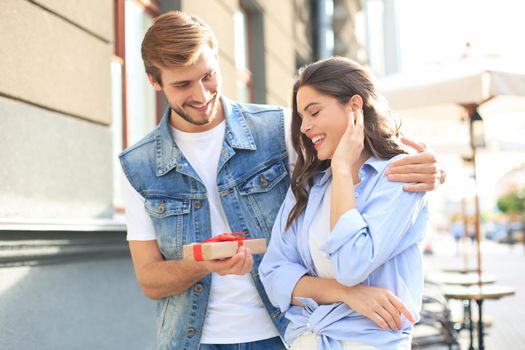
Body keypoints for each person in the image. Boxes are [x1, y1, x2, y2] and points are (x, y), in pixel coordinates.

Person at [119, 11, 445, 350]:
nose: (201, 95)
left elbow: (364, 145)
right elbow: (149, 280)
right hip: (193, 341)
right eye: (183, 84)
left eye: (208, 76)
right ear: (155, 83)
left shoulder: (279, 129)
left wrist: (433, 168)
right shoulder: (138, 166)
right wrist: (198, 264)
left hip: (282, 334)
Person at [259, 57, 430, 349]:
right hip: (309, 339)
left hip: (369, 343)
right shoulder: (309, 185)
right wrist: (346, 294)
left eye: (314, 112)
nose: (304, 127)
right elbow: (274, 275)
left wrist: (342, 169)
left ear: (354, 106)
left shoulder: (398, 176)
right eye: (302, 117)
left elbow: (352, 265)